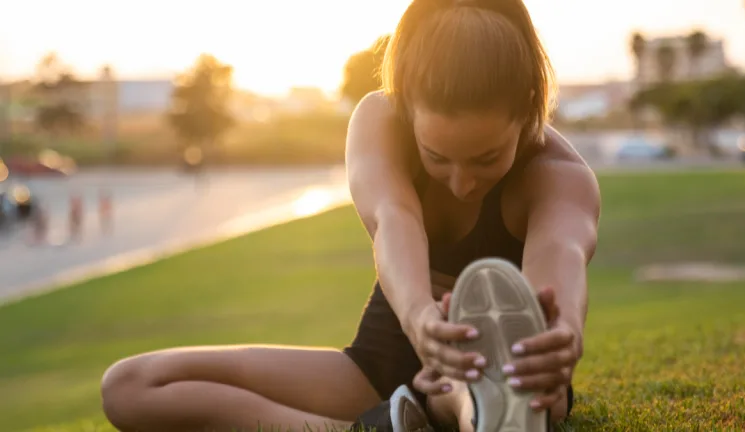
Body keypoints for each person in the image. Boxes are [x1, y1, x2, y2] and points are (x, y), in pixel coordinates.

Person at [99, 0, 600, 431]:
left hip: (503, 369)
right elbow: (393, 219)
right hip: (377, 368)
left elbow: (559, 265)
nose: (462, 182)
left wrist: (562, 336)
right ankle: (387, 425)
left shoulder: (559, 177)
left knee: (502, 393)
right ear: (407, 107)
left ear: (529, 106)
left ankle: (467, 410)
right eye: (437, 157)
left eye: (487, 158)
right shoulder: (380, 120)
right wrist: (422, 320)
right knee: (132, 386)